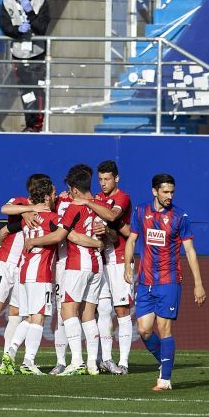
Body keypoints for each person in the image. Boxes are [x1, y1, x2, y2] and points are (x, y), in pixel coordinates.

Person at [124, 174, 206, 390]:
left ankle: (165, 379)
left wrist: (198, 283)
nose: (170, 196)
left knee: (164, 327)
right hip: (145, 281)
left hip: (169, 280)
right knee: (144, 330)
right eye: (165, 192)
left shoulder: (180, 217)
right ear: (154, 192)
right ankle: (166, 360)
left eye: (172, 192)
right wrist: (127, 266)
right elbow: (131, 240)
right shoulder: (141, 211)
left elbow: (190, 250)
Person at [24, 169, 105, 375]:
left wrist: (33, 241)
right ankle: (92, 364)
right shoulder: (97, 205)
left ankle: (76, 360)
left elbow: (66, 236)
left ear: (75, 189)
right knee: (88, 314)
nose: (65, 193)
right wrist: (98, 243)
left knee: (66, 312)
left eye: (69, 189)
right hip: (96, 264)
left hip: (75, 263)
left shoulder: (70, 208)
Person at [0, 175, 46, 375]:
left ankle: (6, 361)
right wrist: (27, 210)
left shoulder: (47, 210)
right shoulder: (20, 201)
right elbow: (4, 209)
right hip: (5, 262)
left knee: (16, 314)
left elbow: (4, 230)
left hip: (24, 266)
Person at [77, 160, 132, 374]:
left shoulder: (122, 197)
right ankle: (105, 359)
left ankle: (125, 361)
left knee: (122, 309)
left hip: (119, 260)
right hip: (100, 260)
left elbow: (111, 219)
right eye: (100, 179)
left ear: (116, 178)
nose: (103, 183)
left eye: (107, 179)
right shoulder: (98, 198)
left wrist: (88, 203)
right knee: (103, 310)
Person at [1, 176, 60, 374]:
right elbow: (61, 234)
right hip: (40, 272)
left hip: (25, 272)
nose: (55, 197)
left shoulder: (28, 217)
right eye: (52, 194)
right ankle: (28, 362)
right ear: (45, 196)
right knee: (39, 317)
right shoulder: (52, 218)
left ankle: (10, 353)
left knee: (28, 318)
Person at [0, 0, 51, 132]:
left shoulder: (41, 1)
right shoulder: (7, 1)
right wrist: (18, 31)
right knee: (25, 91)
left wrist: (30, 12)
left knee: (38, 90)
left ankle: (39, 124)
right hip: (18, 53)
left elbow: (42, 27)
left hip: (37, 53)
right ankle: (30, 123)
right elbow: (5, 26)